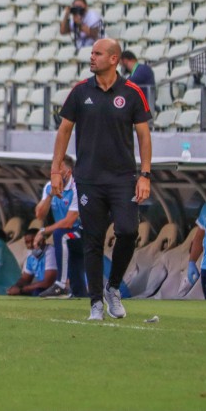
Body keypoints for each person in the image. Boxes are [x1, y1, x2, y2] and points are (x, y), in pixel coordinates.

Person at [51, 38, 152, 321]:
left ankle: (113, 287)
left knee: (128, 231)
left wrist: (145, 175)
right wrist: (56, 170)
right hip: (89, 179)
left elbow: (144, 135)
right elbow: (64, 131)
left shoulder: (132, 93)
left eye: (97, 53)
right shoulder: (80, 91)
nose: (91, 57)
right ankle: (95, 301)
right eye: (91, 52)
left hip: (123, 179)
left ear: (114, 59)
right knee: (92, 240)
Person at [34, 155, 85, 298]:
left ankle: (61, 285)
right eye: (53, 168)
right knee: (76, 276)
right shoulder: (49, 187)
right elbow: (39, 214)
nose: (54, 171)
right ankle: (79, 294)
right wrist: (50, 195)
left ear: (68, 171)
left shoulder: (77, 187)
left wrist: (44, 231)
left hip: (83, 232)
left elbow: (70, 221)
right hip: (69, 235)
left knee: (60, 235)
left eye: (59, 168)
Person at [7, 228, 58, 296]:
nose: (30, 245)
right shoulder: (31, 257)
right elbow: (25, 279)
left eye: (33, 241)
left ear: (42, 239)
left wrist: (21, 290)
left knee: (34, 292)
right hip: (44, 289)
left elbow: (48, 283)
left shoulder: (50, 252)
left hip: (58, 289)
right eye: (27, 242)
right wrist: (16, 287)